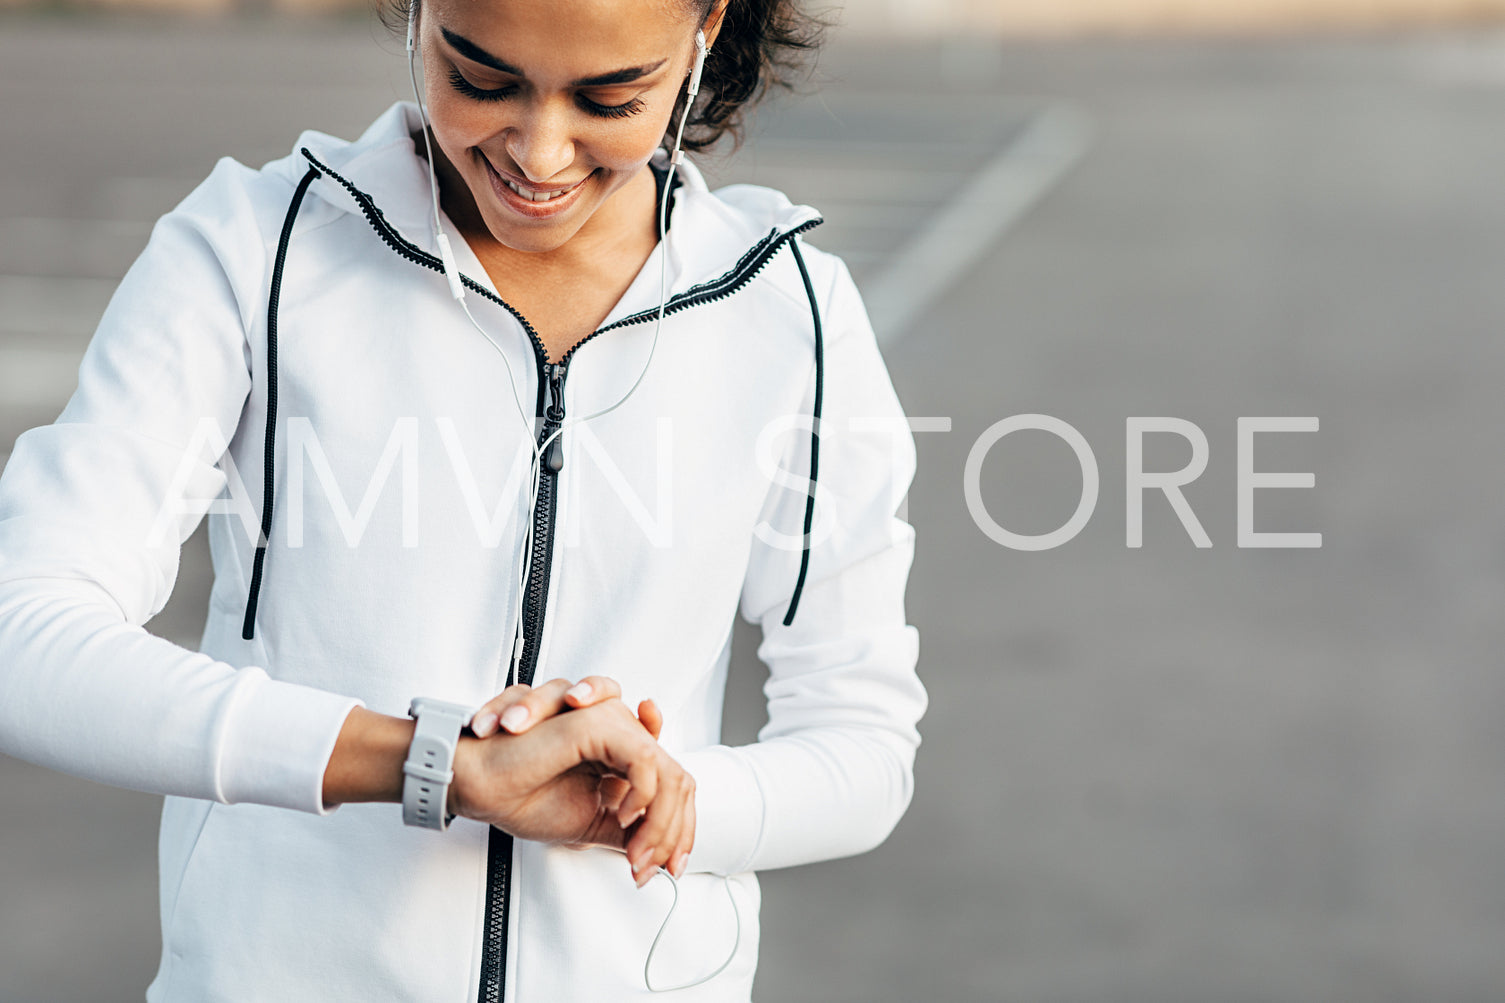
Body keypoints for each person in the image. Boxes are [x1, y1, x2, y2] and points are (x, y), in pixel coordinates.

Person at [0, 0, 927, 998]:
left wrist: (675, 799)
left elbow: (861, 742)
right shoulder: (249, 250)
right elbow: (23, 632)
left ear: (705, 28)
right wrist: (426, 761)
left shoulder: (791, 307)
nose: (539, 151)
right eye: (482, 80)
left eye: (610, 99)